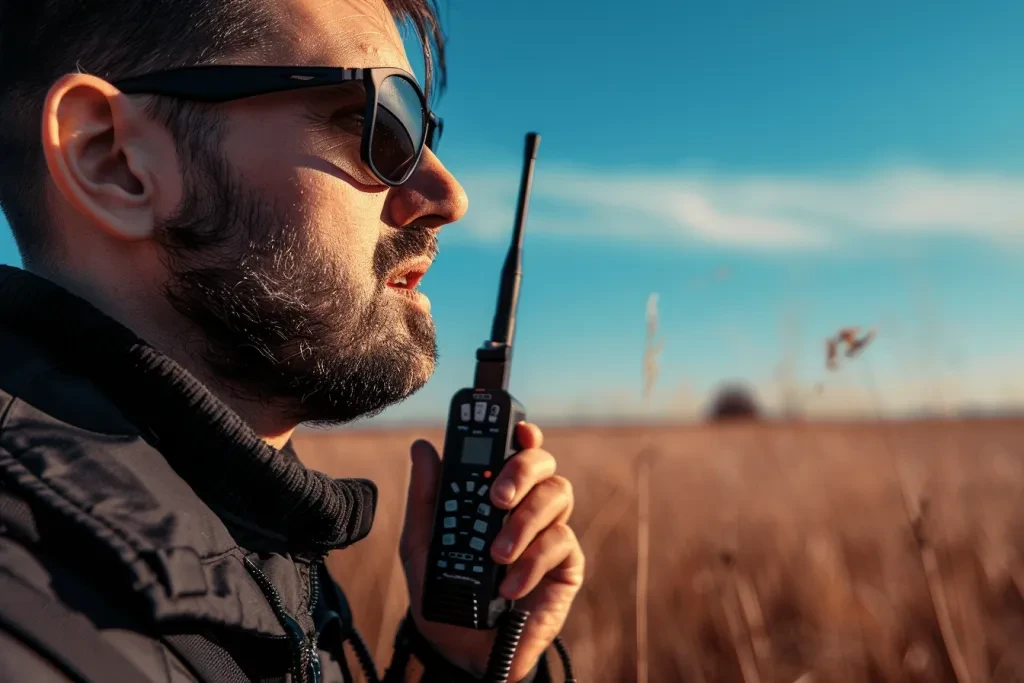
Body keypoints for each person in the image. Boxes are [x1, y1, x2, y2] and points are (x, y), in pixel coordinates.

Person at [0, 0, 585, 681]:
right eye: (376, 122)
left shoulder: (248, 535)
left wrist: (459, 661)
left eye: (423, 134)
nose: (446, 194)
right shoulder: (30, 616)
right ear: (114, 160)